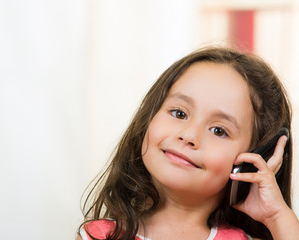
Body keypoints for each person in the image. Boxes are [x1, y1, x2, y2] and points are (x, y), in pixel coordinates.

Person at [76, 47, 299, 240]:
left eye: (218, 131)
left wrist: (276, 216)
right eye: (179, 113)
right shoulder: (97, 235)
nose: (189, 135)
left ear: (255, 158)